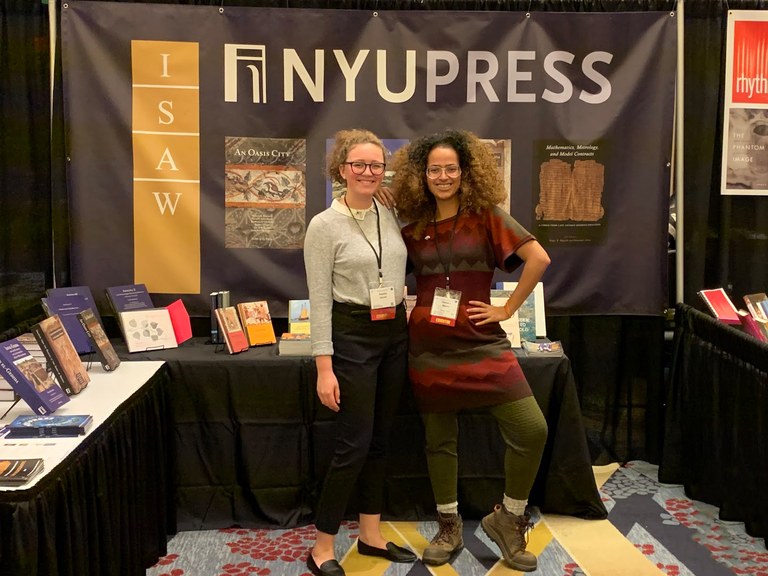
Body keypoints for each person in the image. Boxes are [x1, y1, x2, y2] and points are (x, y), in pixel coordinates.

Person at [387, 129, 551, 572]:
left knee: (532, 430)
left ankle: (509, 518)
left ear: (465, 172)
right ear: (422, 175)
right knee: (440, 441)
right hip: (428, 348)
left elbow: (539, 258)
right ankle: (448, 524)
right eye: (434, 169)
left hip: (482, 343)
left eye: (450, 169)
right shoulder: (411, 225)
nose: (442, 176)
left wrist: (507, 308)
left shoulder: (486, 217)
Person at [303, 129, 417, 576]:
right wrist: (323, 368)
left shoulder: (389, 212)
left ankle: (370, 535)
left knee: (381, 441)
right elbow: (319, 301)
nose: (368, 172)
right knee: (353, 443)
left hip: (395, 333)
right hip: (351, 336)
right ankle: (322, 546)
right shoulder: (324, 225)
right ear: (342, 170)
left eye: (376, 165)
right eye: (359, 165)